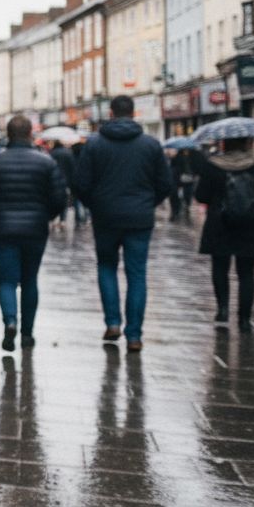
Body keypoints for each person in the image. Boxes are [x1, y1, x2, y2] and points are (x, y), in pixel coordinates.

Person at [73, 95, 172, 352]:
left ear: (111, 112)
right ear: (134, 112)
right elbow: (165, 184)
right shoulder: (150, 145)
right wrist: (148, 202)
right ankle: (135, 335)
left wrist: (96, 203)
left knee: (106, 267)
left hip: (105, 217)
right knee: (137, 274)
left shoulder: (94, 145)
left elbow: (80, 184)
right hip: (140, 218)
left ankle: (113, 322)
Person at [0, 116, 67, 352]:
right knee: (30, 281)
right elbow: (59, 198)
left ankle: (10, 320)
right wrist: (47, 216)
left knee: (7, 280)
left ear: (8, 133)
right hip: (35, 229)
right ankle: (27, 334)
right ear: (30, 133)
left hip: (2, 229)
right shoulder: (46, 163)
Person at [194, 138, 254, 331]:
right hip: (250, 225)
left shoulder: (213, 166)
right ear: (246, 144)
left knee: (220, 268)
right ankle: (244, 319)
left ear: (224, 144)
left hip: (220, 224)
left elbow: (201, 195)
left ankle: (222, 309)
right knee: (246, 273)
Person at [48, 139, 76, 230]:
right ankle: (63, 220)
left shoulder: (52, 153)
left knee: (53, 199)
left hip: (54, 181)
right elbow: (72, 167)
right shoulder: (68, 153)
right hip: (66, 181)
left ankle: (52, 219)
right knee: (64, 200)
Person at [168, 147, 198, 221]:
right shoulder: (189, 157)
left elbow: (171, 168)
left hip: (177, 179)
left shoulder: (175, 158)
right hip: (185, 179)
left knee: (175, 196)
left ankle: (175, 211)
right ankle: (185, 206)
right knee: (185, 194)